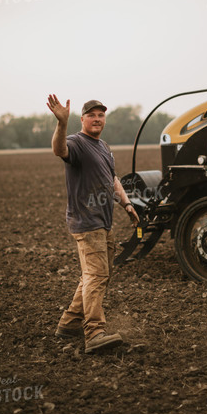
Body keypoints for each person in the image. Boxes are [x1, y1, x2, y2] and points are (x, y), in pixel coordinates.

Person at [46, 94, 140, 354]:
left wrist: (127, 204)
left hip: (103, 221)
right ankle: (94, 332)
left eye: (100, 115)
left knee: (97, 273)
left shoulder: (103, 146)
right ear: (82, 119)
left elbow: (112, 180)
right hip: (86, 221)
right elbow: (58, 150)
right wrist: (61, 124)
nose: (97, 119)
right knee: (97, 275)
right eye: (92, 115)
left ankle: (69, 323)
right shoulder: (76, 142)